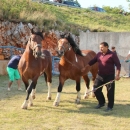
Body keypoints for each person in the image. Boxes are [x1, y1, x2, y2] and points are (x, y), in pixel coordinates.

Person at [81, 42, 121, 112]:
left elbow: (118, 65)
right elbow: (92, 61)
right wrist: (85, 67)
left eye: (102, 47)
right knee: (95, 89)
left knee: (110, 92)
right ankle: (101, 102)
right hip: (100, 75)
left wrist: (117, 75)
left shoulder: (112, 55)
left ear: (106, 47)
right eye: (100, 48)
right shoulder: (99, 54)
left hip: (109, 76)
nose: (100, 49)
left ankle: (110, 106)